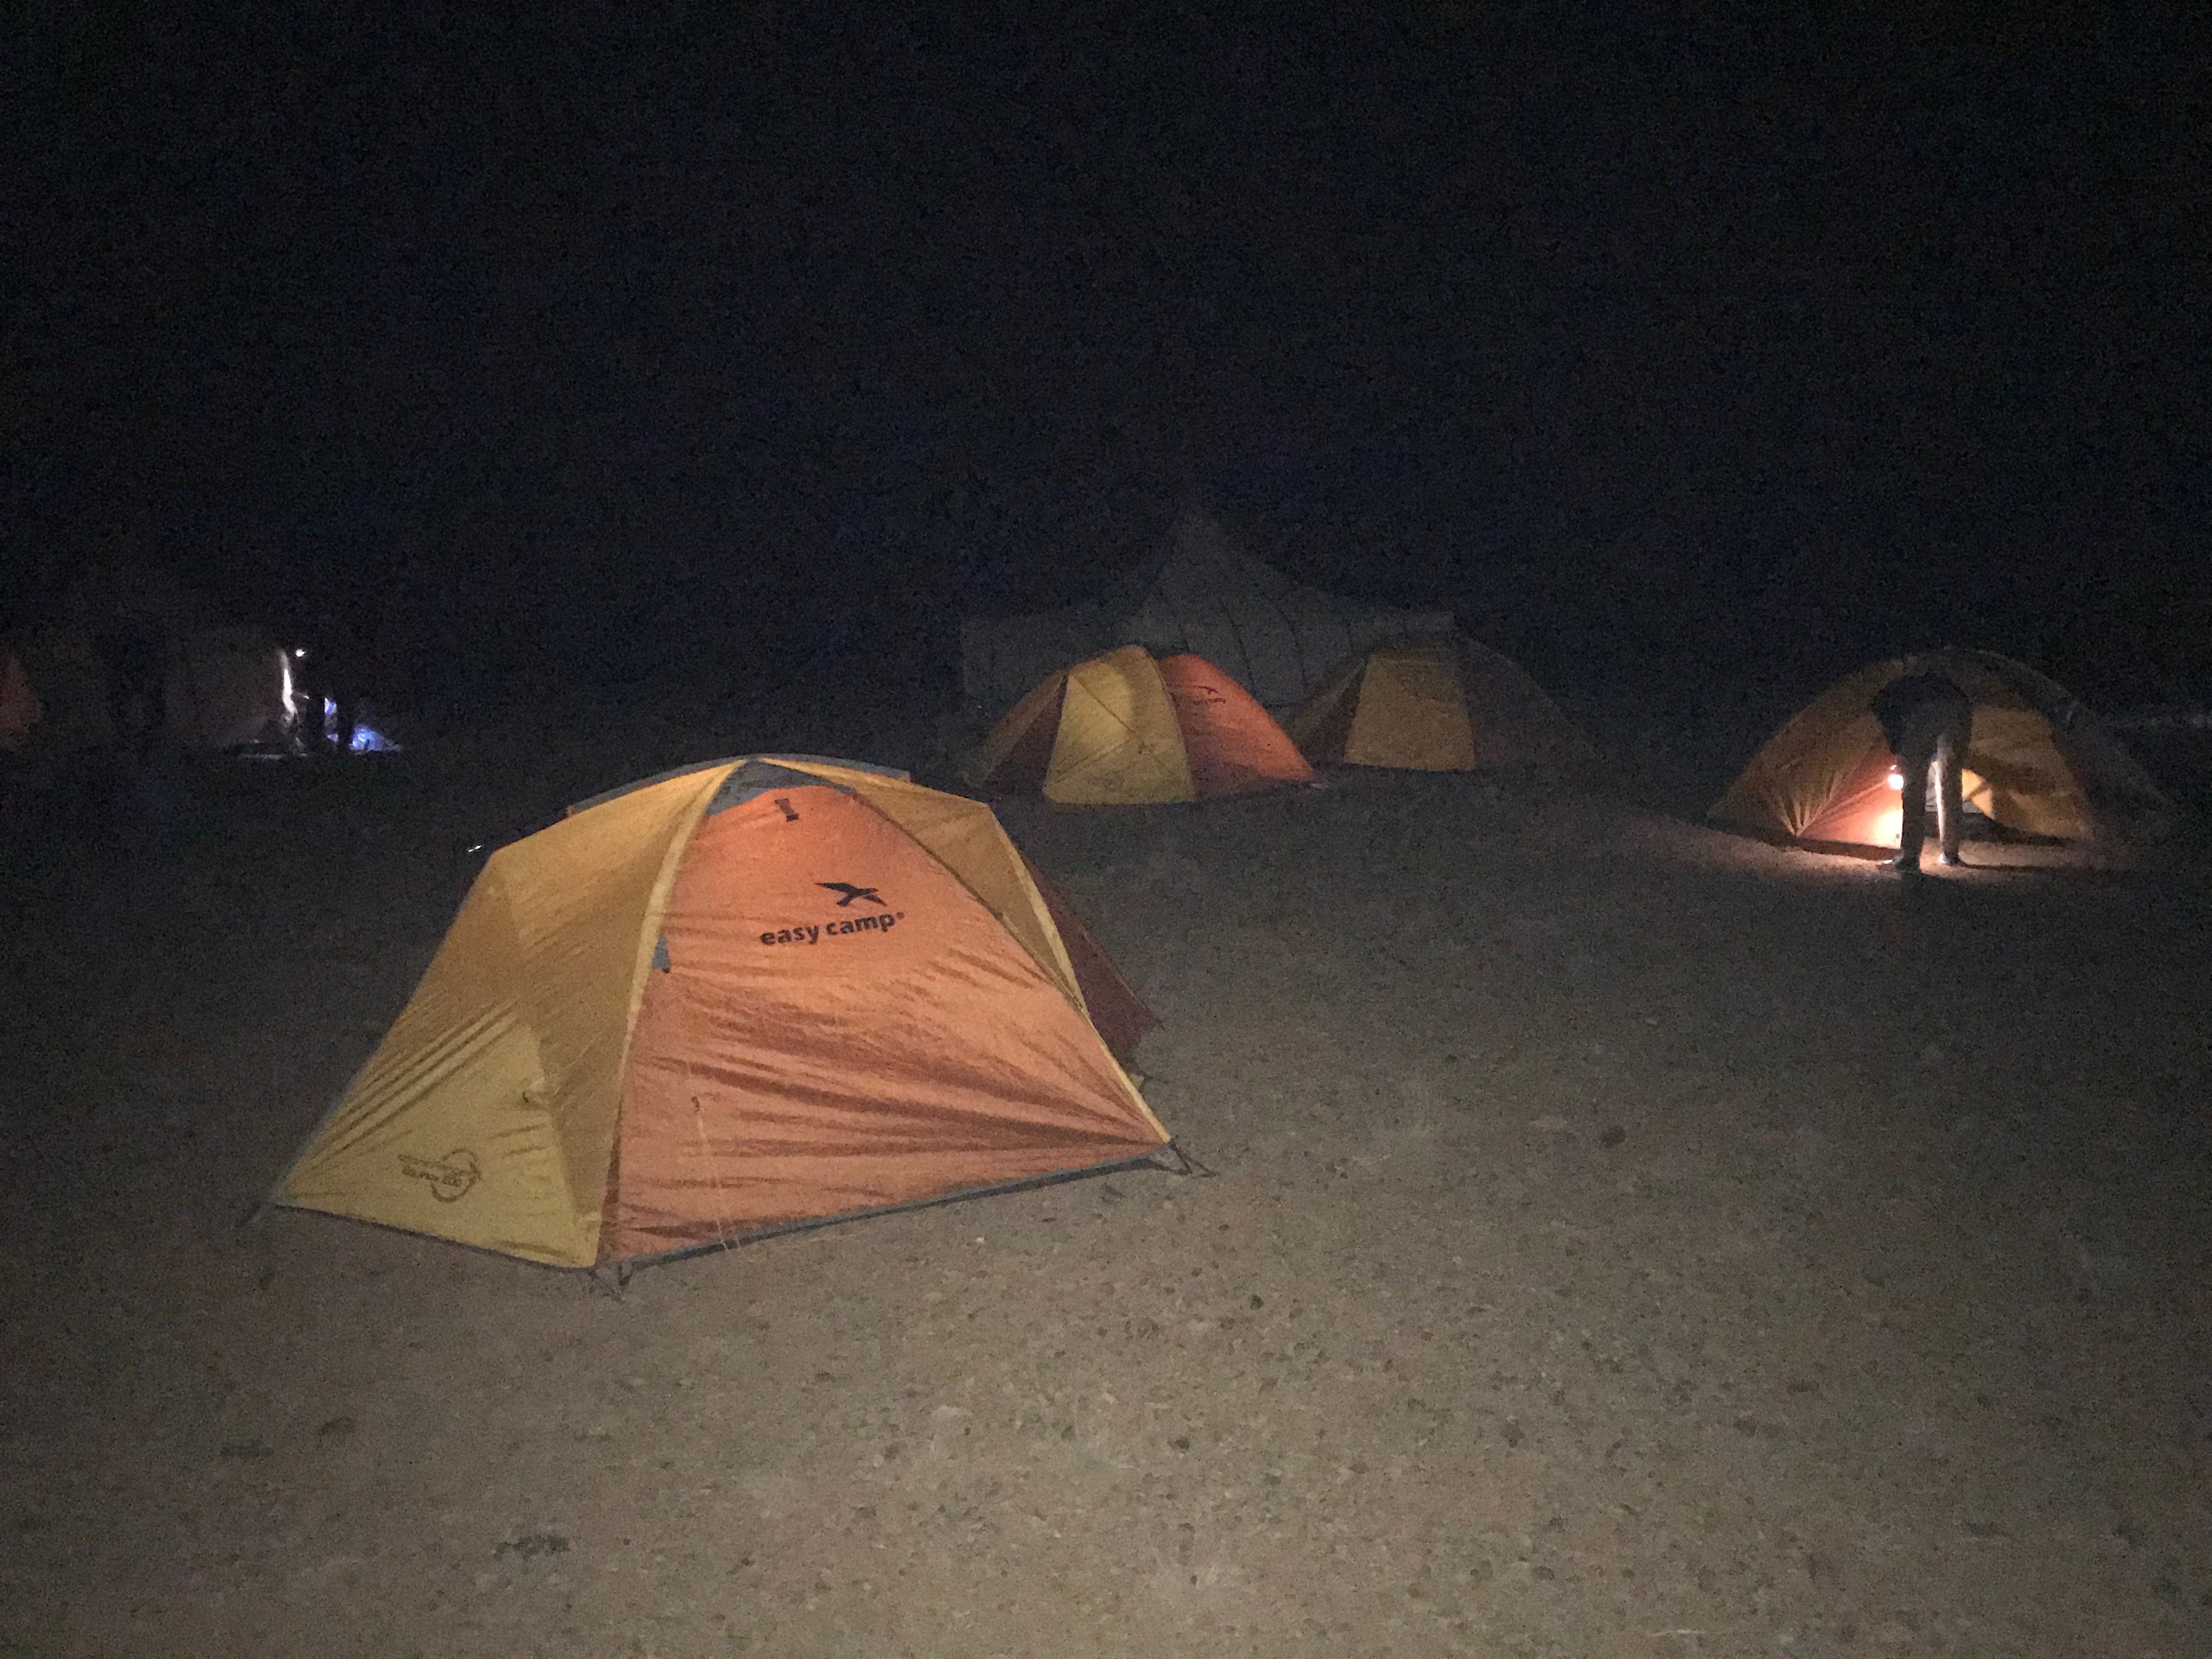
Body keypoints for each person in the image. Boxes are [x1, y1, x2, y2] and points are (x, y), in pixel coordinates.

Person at [1871, 670, 1974, 873]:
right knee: (1950, 781)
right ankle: (1951, 852)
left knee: (1914, 785)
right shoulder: (1906, 684)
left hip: (1926, 709)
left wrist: (1903, 756)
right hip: (1959, 705)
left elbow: (1896, 739)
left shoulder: (1883, 703)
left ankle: (1910, 857)